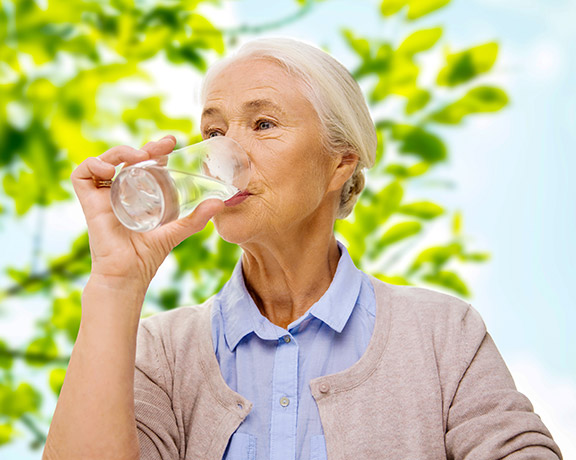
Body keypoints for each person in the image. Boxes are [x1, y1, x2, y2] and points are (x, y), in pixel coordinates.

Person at [43, 38, 562, 460]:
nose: (224, 156)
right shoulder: (162, 351)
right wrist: (115, 283)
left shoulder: (443, 334)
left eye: (263, 124)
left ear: (340, 162)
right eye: (215, 131)